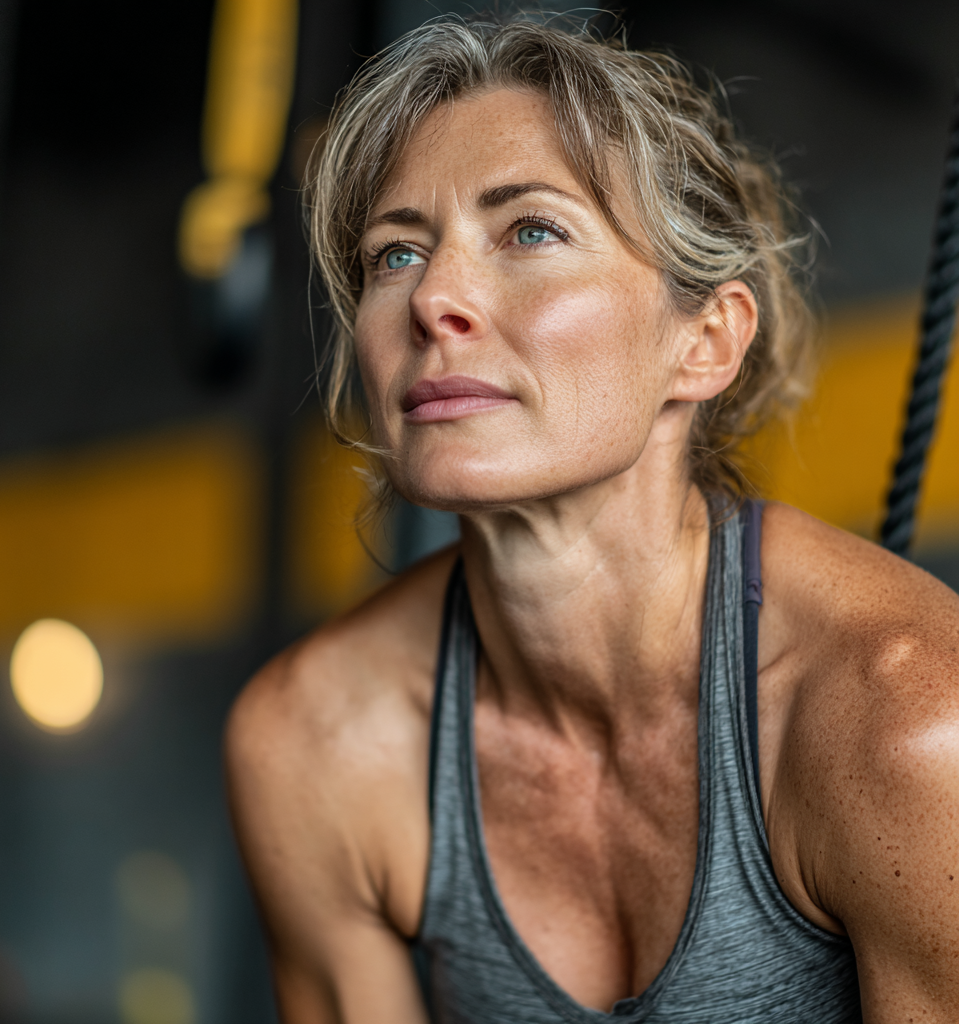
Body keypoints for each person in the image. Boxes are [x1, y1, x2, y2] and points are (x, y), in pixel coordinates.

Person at [226, 18, 959, 1024]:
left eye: (530, 230)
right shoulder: (317, 742)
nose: (434, 296)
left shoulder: (908, 721)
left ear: (704, 342)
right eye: (395, 252)